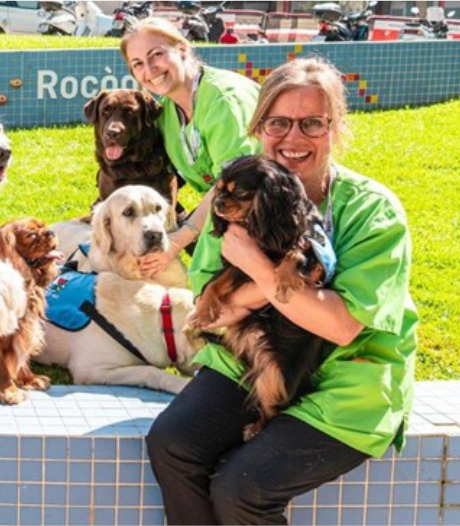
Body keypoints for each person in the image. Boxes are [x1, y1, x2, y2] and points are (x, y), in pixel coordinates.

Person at [146, 57, 418, 524]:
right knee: (173, 444)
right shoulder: (234, 195)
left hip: (349, 379)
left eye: (312, 123)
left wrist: (257, 269)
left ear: (336, 128)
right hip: (253, 359)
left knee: (243, 488)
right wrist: (279, 290)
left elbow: (340, 324)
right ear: (258, 126)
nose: (292, 139)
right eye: (277, 122)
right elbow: (214, 313)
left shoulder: (374, 212)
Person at [120, 18, 260, 278]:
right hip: (230, 210)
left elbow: (235, 182)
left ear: (182, 49)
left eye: (157, 55)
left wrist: (178, 239)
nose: (149, 69)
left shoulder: (223, 100)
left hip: (269, 209)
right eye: (137, 64)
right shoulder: (167, 113)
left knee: (214, 286)